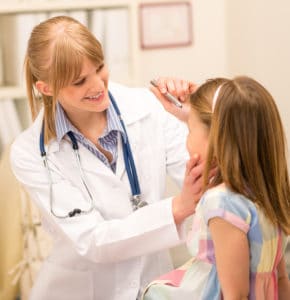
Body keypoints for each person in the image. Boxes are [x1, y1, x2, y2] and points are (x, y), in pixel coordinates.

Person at [10, 16, 203, 300]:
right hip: (78, 291)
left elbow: (211, 178)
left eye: (99, 68)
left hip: (153, 284)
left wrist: (193, 118)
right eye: (79, 81)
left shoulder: (147, 108)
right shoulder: (29, 152)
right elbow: (94, 240)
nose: (98, 85)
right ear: (46, 88)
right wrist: (177, 207)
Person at [143, 77, 290, 299]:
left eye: (190, 130)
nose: (187, 140)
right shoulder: (270, 194)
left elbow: (235, 296)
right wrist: (192, 115)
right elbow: (280, 280)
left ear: (218, 138)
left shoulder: (222, 203)